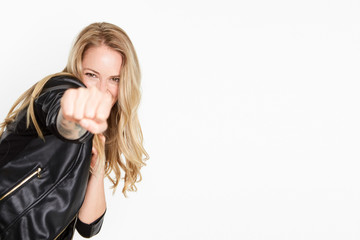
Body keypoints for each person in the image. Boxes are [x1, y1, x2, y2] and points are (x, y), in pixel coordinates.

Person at [0, 22, 149, 239]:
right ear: (76, 70)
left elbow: (88, 226)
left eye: (114, 79)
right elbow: (60, 115)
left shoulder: (99, 132)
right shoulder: (57, 89)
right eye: (91, 75)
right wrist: (74, 120)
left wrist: (98, 169)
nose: (101, 90)